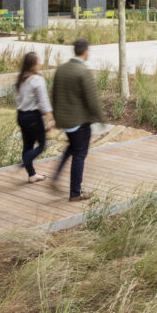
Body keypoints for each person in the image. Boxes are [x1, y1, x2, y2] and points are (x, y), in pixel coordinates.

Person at [50, 38, 103, 202]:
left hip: (65, 121)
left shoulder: (61, 69)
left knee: (72, 148)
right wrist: (101, 118)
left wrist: (56, 117)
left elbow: (54, 94)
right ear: (86, 52)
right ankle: (75, 192)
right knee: (79, 155)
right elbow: (92, 99)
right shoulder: (83, 71)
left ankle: (56, 176)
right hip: (79, 121)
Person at [15, 52, 54, 184]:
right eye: (38, 60)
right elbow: (43, 102)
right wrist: (50, 119)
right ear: (34, 64)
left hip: (21, 116)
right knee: (42, 145)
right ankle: (25, 161)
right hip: (33, 117)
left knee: (28, 145)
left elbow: (19, 99)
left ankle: (32, 174)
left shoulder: (20, 79)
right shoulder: (37, 80)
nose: (40, 63)